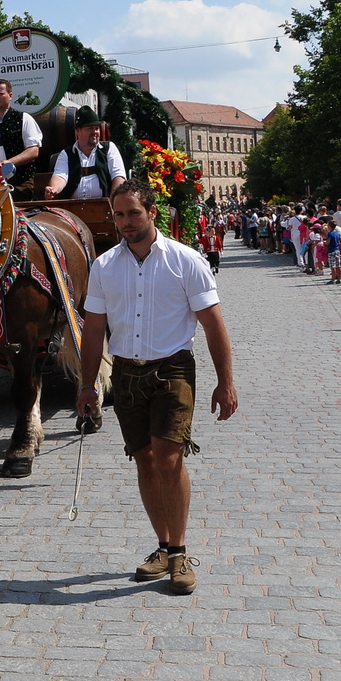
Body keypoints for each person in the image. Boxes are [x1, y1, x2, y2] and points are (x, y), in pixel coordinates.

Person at [76, 180, 237, 596]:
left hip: (173, 369)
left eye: (133, 213)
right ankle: (163, 547)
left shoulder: (186, 261)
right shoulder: (104, 266)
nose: (125, 222)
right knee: (144, 460)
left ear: (151, 211)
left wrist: (226, 382)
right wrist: (87, 384)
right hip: (126, 373)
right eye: (118, 215)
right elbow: (94, 331)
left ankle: (180, 553)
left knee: (168, 458)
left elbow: (213, 324)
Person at [43, 105, 127, 199]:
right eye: (90, 128)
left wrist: (113, 201)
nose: (95, 132)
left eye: (96, 128)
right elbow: (60, 176)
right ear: (78, 131)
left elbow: (118, 176)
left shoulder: (109, 149)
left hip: (104, 207)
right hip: (72, 209)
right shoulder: (66, 154)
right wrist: (53, 189)